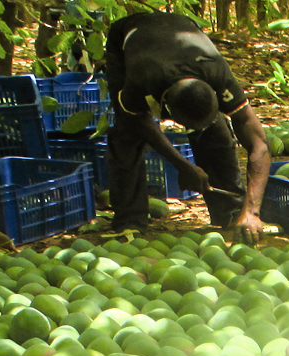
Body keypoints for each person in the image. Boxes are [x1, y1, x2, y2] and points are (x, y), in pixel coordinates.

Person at [103, 11, 270, 241]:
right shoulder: (141, 78)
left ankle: (232, 212)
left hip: (183, 31)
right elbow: (139, 121)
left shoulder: (218, 75)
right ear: (166, 109)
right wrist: (181, 164)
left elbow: (259, 143)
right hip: (127, 37)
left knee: (216, 131)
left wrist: (252, 211)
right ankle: (129, 222)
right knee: (126, 136)